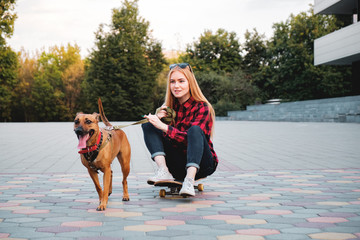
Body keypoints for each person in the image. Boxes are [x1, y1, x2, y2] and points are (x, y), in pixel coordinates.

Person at [142, 63, 218, 197]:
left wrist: (164, 127)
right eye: (172, 82)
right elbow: (162, 136)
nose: (176, 86)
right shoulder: (169, 109)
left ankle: (189, 180)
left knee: (194, 130)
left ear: (190, 83)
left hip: (202, 164)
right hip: (177, 164)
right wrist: (157, 121)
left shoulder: (202, 107)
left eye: (181, 81)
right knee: (149, 125)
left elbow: (191, 139)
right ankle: (163, 170)